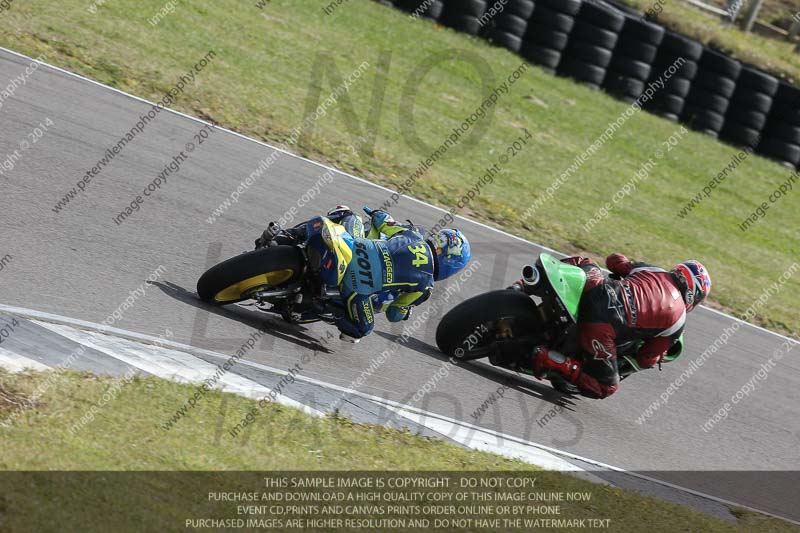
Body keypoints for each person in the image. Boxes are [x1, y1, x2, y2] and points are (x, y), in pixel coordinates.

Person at [256, 205, 471, 343]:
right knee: (361, 330)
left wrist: (377, 213)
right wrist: (405, 311)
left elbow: (383, 221)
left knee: (346, 213)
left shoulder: (411, 234)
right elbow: (394, 314)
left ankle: (284, 235)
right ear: (452, 266)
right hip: (357, 288)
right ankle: (313, 305)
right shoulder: (426, 286)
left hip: (350, 249)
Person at [515, 253, 710, 398]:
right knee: (606, 387)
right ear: (693, 294)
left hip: (595, 288)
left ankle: (524, 284)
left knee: (584, 261)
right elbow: (645, 358)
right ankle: (551, 359)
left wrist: (624, 260)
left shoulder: (653, 270)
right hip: (601, 328)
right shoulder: (678, 320)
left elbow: (613, 262)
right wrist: (656, 356)